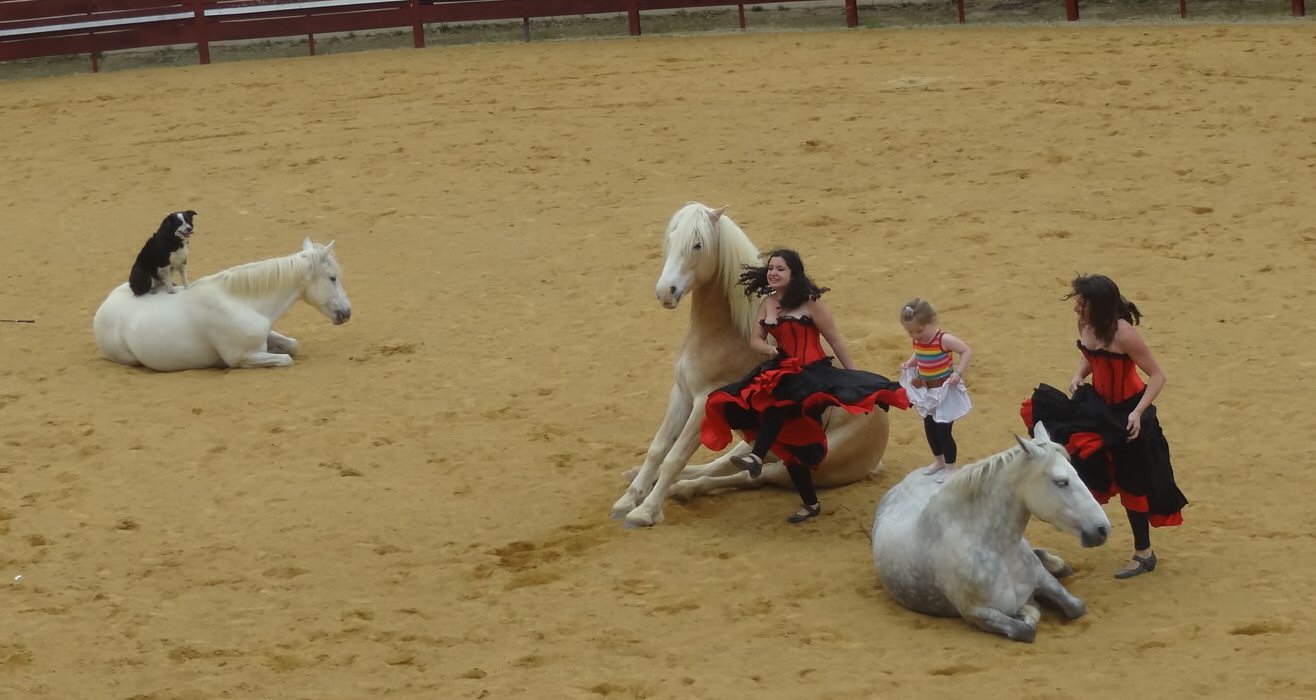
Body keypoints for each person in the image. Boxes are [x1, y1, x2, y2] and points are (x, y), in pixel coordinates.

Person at [700, 249, 908, 523]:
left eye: (780, 269)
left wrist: (854, 377)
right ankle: (810, 504)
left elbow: (835, 340)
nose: (773, 273)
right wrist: (768, 350)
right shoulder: (768, 303)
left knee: (777, 405)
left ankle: (757, 458)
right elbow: (755, 339)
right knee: (792, 439)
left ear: (793, 274)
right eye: (771, 268)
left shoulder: (811, 303)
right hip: (785, 370)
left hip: (813, 373)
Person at [1021, 274, 1188, 579]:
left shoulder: (1124, 334)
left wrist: (1138, 412)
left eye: (1081, 304)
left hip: (1128, 415)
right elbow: (1091, 356)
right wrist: (1078, 374)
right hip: (1098, 406)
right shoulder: (1086, 325)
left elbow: (1158, 376)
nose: (1076, 309)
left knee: (1133, 483)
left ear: (1097, 306)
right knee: (1071, 458)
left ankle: (1144, 554)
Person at [898, 299, 972, 483]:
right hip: (928, 391)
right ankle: (939, 461)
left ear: (932, 322)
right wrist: (909, 363)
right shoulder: (918, 340)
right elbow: (919, 353)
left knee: (943, 430)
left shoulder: (943, 339)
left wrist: (958, 372)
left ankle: (951, 467)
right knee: (930, 427)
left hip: (945, 391)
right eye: (910, 332)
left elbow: (965, 351)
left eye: (919, 331)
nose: (916, 335)